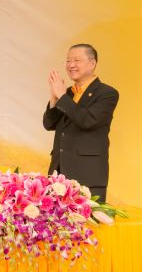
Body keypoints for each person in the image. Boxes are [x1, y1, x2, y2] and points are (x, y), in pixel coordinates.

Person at [43, 43, 119, 204]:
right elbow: (49, 124)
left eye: (77, 60)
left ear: (93, 63)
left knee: (88, 219)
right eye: (68, 61)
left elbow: (87, 120)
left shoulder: (107, 93)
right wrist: (54, 98)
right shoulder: (67, 93)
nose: (71, 65)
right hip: (59, 174)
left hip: (87, 174)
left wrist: (62, 97)